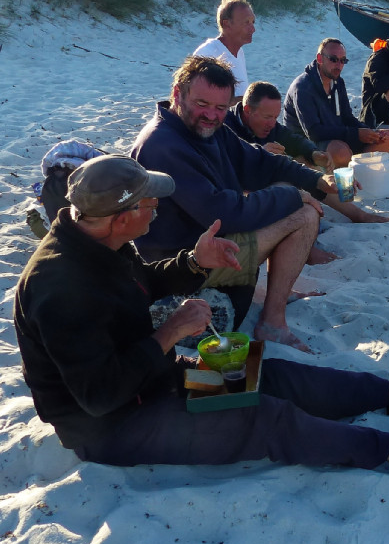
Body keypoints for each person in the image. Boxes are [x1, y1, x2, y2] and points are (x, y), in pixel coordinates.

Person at [13, 154, 389, 473]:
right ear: (121, 217)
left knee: (268, 376)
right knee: (263, 418)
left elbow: (144, 285)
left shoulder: (102, 239)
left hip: (149, 381)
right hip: (111, 425)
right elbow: (98, 395)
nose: (157, 207)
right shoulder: (60, 287)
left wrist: (196, 262)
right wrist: (171, 333)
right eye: (150, 203)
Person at [131, 56, 336, 352]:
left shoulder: (208, 129)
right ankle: (273, 322)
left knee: (286, 192)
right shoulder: (163, 145)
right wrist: (295, 195)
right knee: (303, 214)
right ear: (178, 94)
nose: (212, 116)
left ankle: (279, 289)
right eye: (202, 104)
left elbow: (260, 160)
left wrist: (315, 180)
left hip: (211, 241)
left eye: (220, 108)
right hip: (183, 264)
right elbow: (225, 213)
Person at [226, 80, 389, 224]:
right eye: (267, 117)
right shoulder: (225, 126)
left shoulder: (268, 125)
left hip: (264, 184)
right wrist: (256, 154)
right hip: (237, 195)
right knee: (287, 179)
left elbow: (293, 140)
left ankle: (358, 214)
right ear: (247, 111)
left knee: (304, 161)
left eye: (275, 117)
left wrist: (313, 153)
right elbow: (220, 164)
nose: (272, 123)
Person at [284, 38, 389, 169]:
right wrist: (356, 134)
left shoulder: (338, 82)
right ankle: (349, 173)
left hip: (335, 135)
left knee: (386, 139)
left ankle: (359, 173)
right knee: (341, 152)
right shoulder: (303, 87)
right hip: (307, 144)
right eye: (333, 59)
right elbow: (314, 132)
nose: (339, 65)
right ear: (320, 58)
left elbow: (347, 117)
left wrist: (369, 132)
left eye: (343, 60)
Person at [193, 0, 255, 100]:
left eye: (253, 22)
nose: (253, 29)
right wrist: (246, 102)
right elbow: (203, 102)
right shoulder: (208, 53)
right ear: (227, 24)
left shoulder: (239, 52)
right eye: (246, 22)